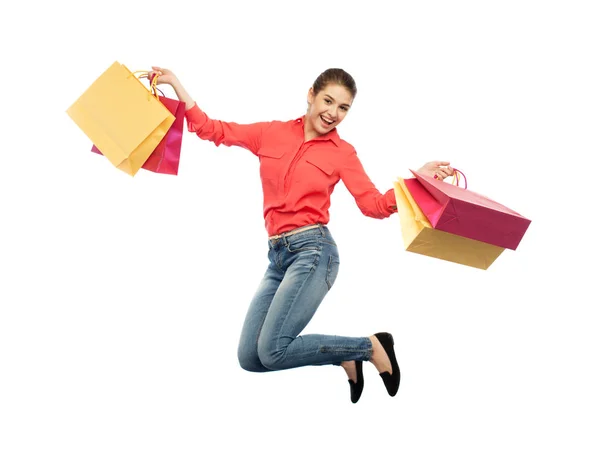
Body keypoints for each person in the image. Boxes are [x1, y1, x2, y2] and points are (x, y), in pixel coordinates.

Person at [149, 66, 454, 403]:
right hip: (278, 258)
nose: (332, 113)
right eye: (328, 101)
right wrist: (176, 84)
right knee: (251, 358)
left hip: (314, 253)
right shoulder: (271, 133)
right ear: (311, 94)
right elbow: (211, 129)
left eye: (343, 108)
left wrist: (416, 184)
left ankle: (370, 347)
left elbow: (374, 205)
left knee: (273, 350)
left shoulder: (342, 153)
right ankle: (344, 354)